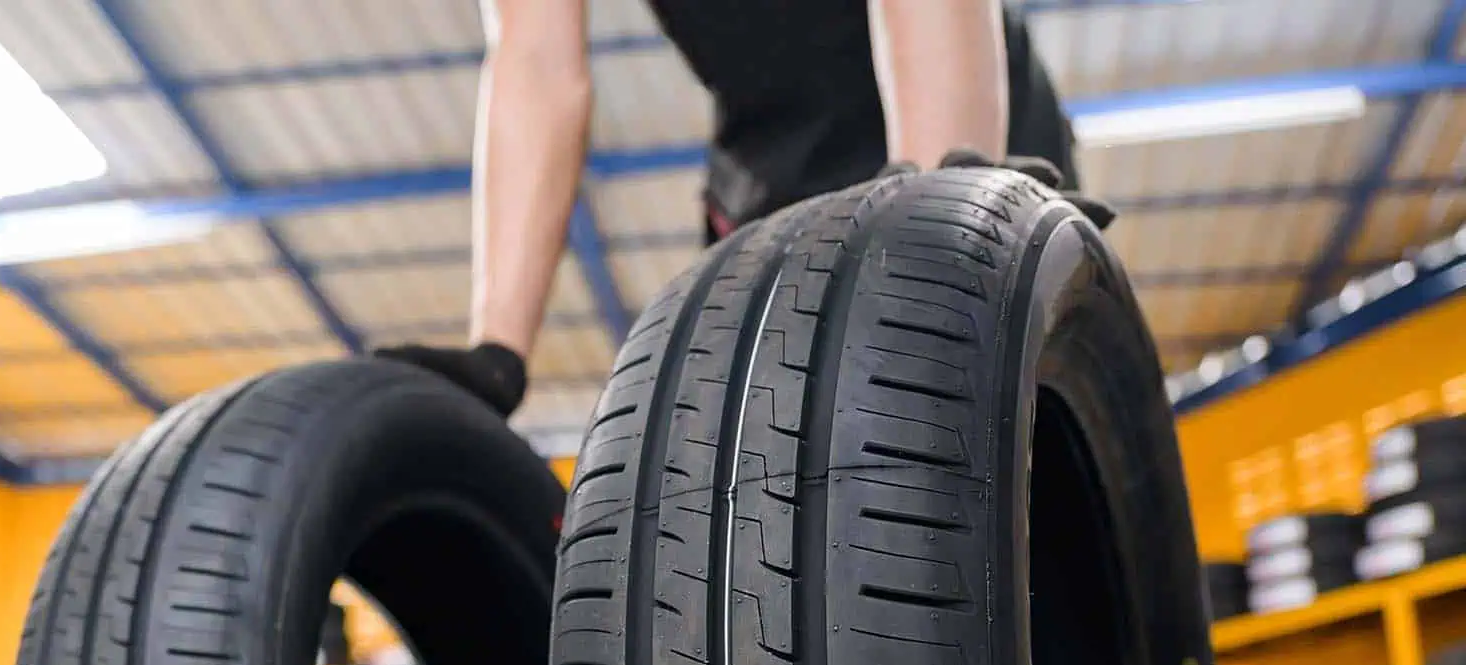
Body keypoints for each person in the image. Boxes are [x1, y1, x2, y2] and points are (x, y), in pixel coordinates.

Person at [380, 0, 1086, 417]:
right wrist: (499, 350)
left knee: (967, 435)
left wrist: (947, 217)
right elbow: (536, 63)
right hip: (776, 167)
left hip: (966, 119)